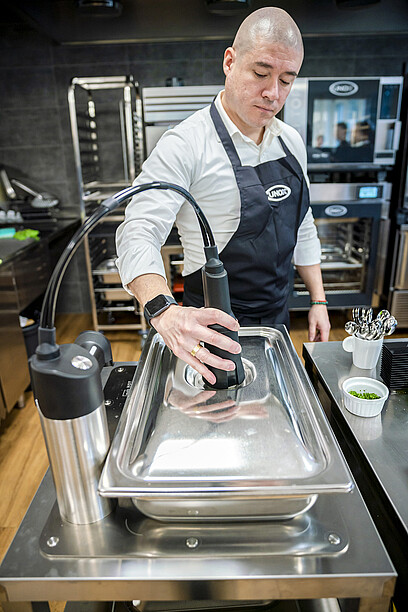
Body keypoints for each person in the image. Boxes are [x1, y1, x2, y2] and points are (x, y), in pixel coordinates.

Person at [116, 6, 330, 386]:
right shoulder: (186, 144)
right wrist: (164, 311)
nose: (273, 93)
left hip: (277, 322)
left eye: (286, 80)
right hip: (210, 330)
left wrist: (318, 300)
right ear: (230, 62)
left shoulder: (291, 141)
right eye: (261, 74)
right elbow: (138, 231)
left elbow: (304, 226)